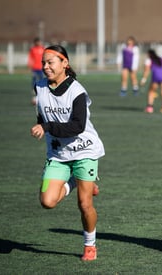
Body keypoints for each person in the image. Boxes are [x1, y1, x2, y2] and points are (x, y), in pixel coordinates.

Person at [30, 45, 105, 261]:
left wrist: (46, 127)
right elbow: (42, 114)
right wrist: (41, 125)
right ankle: (75, 181)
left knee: (85, 204)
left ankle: (90, 245)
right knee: (47, 201)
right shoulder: (40, 87)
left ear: (65, 64)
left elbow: (77, 126)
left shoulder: (77, 92)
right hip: (58, 154)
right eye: (43, 63)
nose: (45, 67)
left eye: (50, 62)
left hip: (85, 151)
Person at [140, 49, 162, 113]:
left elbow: (147, 71)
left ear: (149, 54)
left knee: (151, 92)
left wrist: (143, 80)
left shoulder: (149, 60)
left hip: (156, 77)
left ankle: (150, 108)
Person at [28, 37, 45, 104]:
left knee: (41, 79)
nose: (39, 43)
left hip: (41, 67)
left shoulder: (42, 48)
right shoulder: (33, 49)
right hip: (34, 67)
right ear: (35, 42)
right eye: (37, 42)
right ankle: (34, 89)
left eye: (39, 42)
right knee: (34, 79)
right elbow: (30, 57)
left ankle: (42, 89)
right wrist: (29, 65)